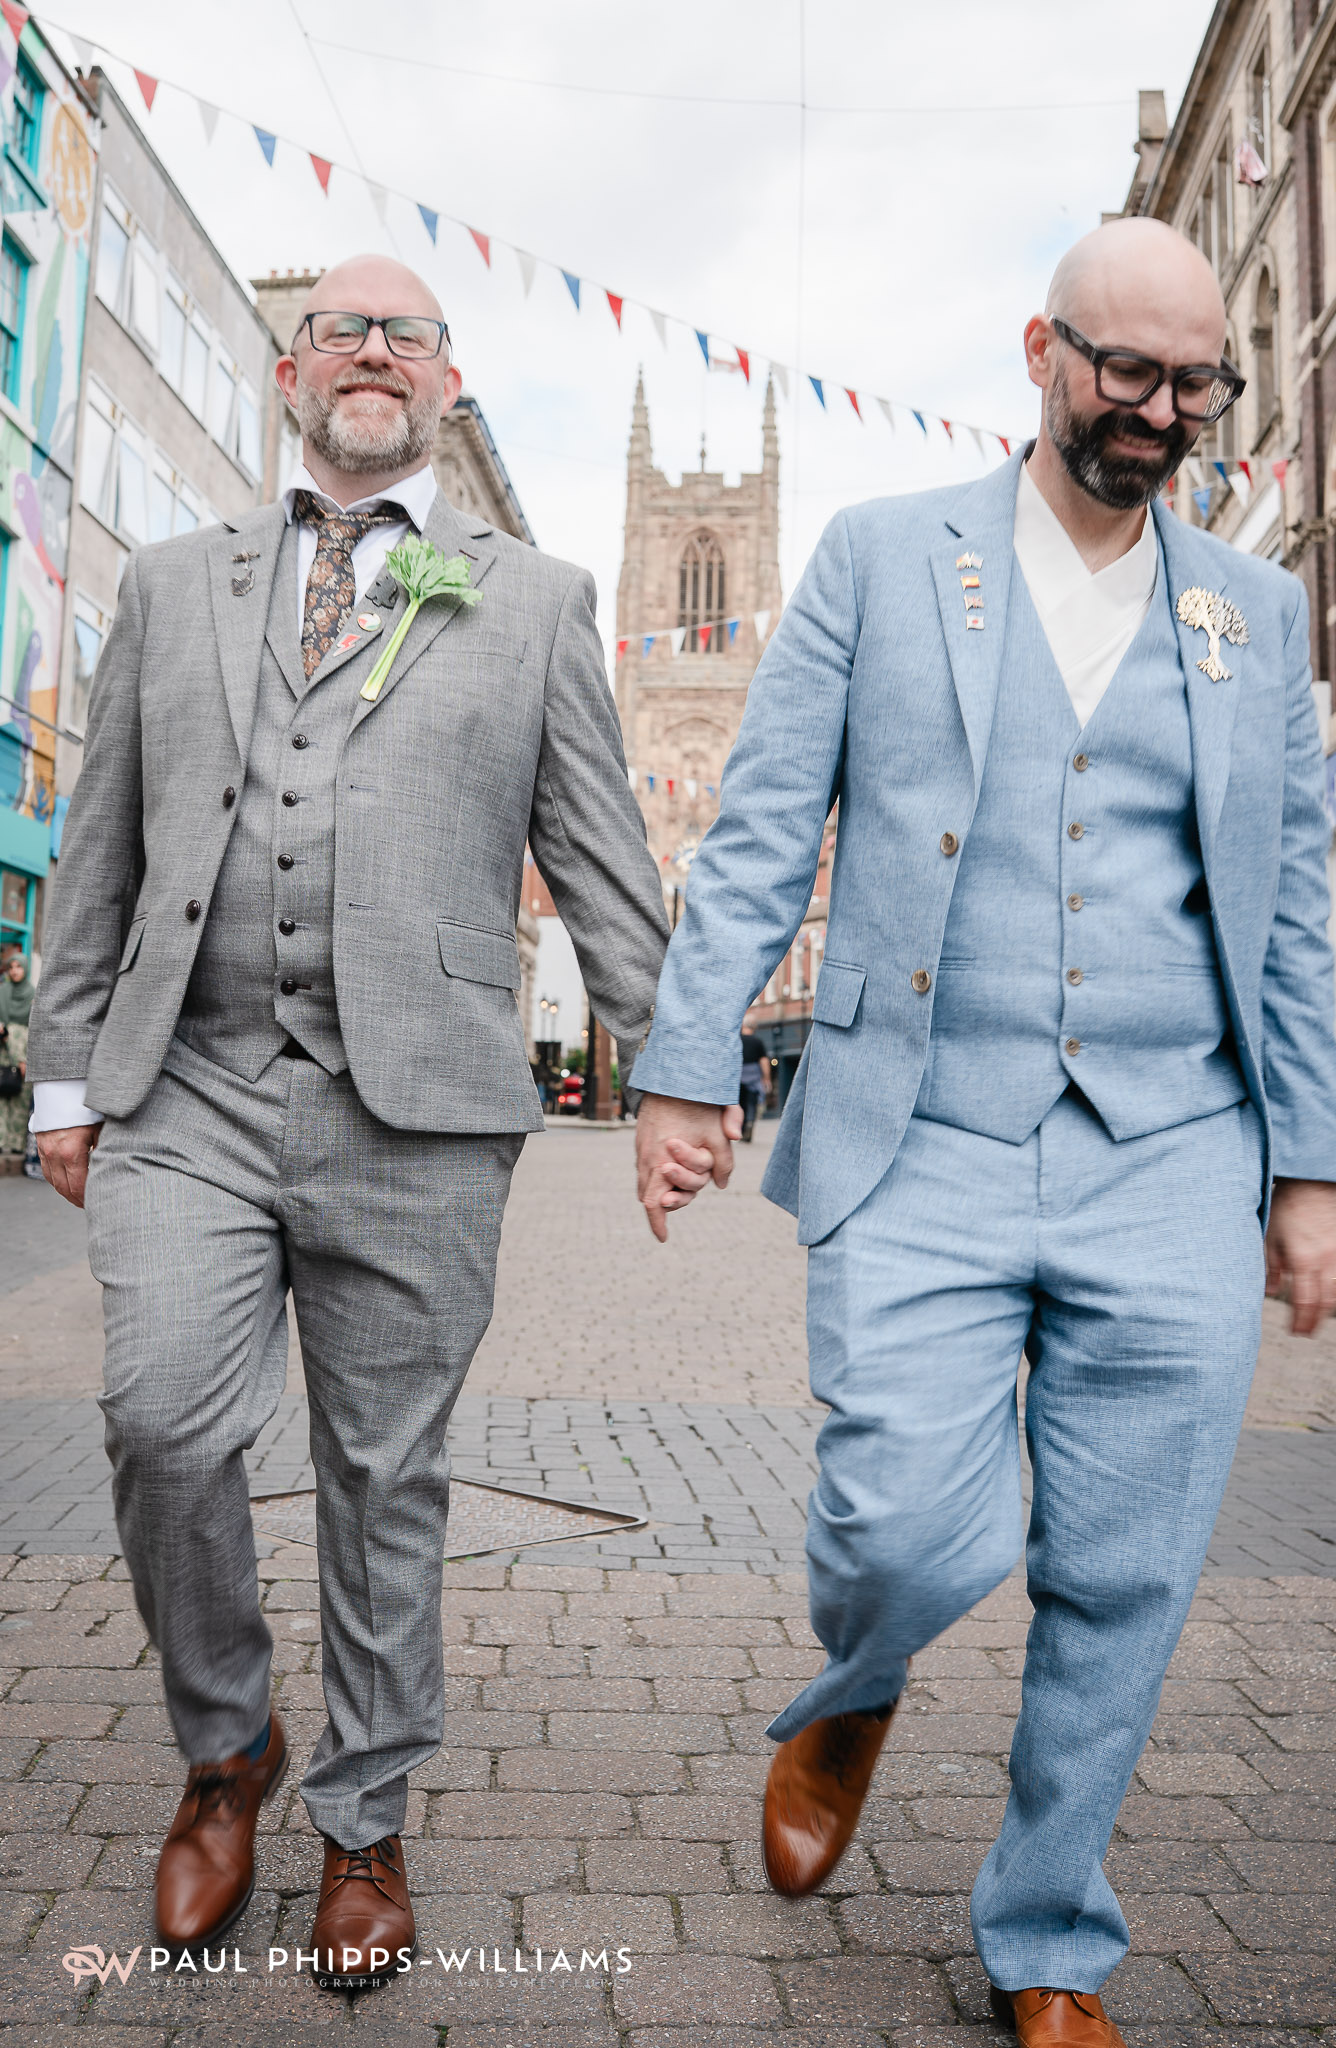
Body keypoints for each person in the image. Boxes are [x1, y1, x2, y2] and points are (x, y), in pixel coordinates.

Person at [631, 218, 1336, 2047]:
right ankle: (856, 1679)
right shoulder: (887, 556)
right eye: (1127, 371)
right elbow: (763, 822)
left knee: (1127, 1565)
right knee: (900, 1520)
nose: (1162, 410)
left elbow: (1282, 914)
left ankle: (1049, 1938)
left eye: (1198, 382)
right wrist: (682, 1064)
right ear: (1040, 349)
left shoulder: (1254, 613)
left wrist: (1315, 1170)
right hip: (924, 1127)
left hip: (1174, 1141)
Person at [28, 254, 668, 1990]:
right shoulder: (171, 583)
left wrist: (672, 1063)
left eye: (409, 333)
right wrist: (66, 1073)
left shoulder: (533, 599)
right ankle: (227, 1745)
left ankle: (365, 1815)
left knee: (388, 1475)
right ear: (291, 370)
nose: (371, 351)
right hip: (191, 1084)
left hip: (425, 1107)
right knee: (162, 1421)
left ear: (447, 386)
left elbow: (604, 853)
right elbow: (100, 849)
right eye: (340, 328)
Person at [0, 953, 37, 1173]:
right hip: (2, 1052)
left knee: (21, 1099)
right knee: (1, 1097)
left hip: (23, 1051)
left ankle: (16, 1144)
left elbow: (35, 1029)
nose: (14, 971)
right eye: (11, 967)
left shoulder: (32, 994)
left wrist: (25, 1058)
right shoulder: (2, 992)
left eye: (19, 967)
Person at [738, 1029, 770, 1141]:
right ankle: (750, 1122)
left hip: (739, 1075)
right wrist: (766, 1078)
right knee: (751, 1103)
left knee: (741, 1105)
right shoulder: (758, 1041)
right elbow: (764, 1061)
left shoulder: (737, 1040)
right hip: (753, 1076)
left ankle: (742, 1130)